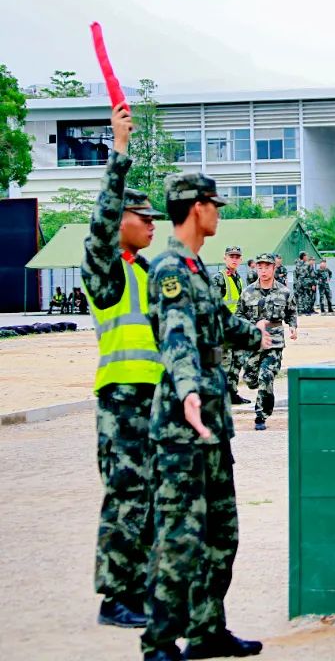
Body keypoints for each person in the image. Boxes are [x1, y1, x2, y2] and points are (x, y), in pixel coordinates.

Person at [142, 172, 271, 661]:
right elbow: (176, 335)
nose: (218, 212)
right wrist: (188, 387)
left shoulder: (199, 268)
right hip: (183, 426)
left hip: (213, 422)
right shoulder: (170, 268)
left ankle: (206, 630)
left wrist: (253, 333)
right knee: (179, 535)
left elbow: (214, 324)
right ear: (196, 208)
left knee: (222, 532)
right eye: (213, 204)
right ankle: (157, 642)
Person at [81, 103, 167, 630]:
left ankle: (141, 591)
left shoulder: (150, 273)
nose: (152, 226)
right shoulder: (107, 273)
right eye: (144, 218)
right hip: (121, 401)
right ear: (120, 223)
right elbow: (100, 221)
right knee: (127, 497)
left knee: (153, 497)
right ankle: (116, 598)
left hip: (154, 400)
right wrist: (120, 153)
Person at [238, 253, 298, 431]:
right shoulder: (248, 292)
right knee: (250, 378)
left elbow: (291, 312)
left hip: (274, 342)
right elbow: (239, 315)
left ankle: (261, 415)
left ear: (274, 268)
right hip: (253, 343)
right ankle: (257, 387)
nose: (263, 271)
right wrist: (252, 325)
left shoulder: (284, 292)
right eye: (260, 267)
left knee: (267, 377)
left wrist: (293, 326)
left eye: (267, 267)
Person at [212, 246, 248, 405]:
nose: (234, 259)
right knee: (224, 362)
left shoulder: (239, 279)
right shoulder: (219, 279)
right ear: (225, 258)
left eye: (237, 257)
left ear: (240, 260)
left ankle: (232, 393)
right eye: (231, 256)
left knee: (237, 361)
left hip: (237, 328)